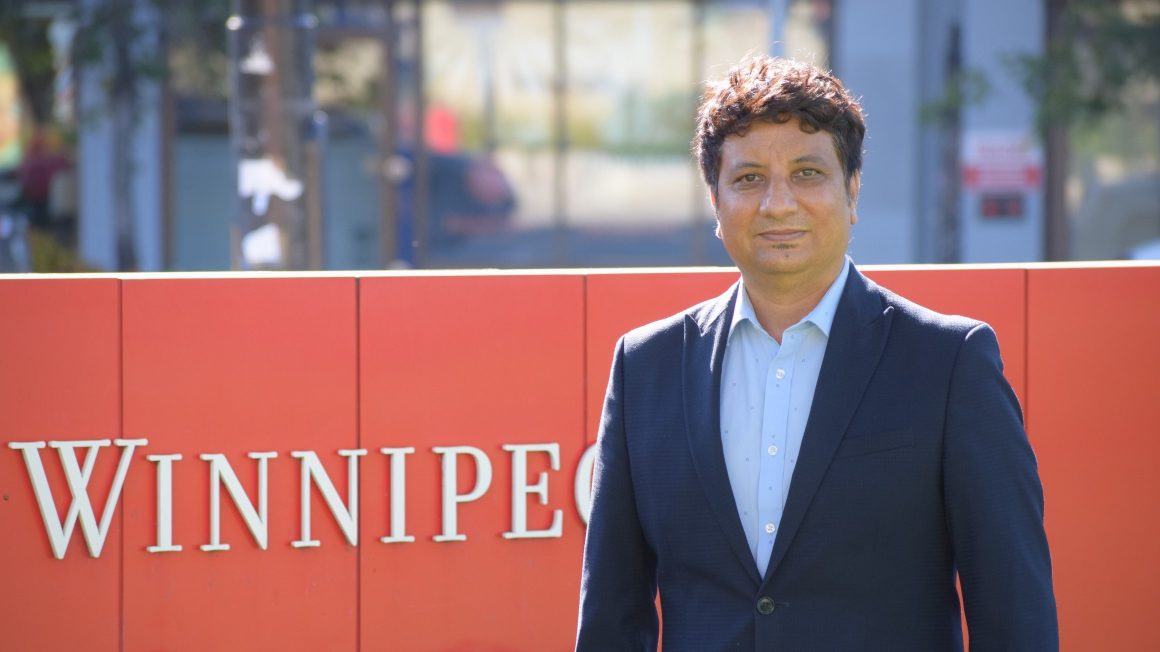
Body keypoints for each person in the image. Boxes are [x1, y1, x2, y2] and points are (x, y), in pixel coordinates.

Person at [575, 56, 1057, 651]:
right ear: (715, 201)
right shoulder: (646, 367)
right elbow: (610, 620)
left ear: (852, 191)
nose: (778, 204)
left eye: (807, 173)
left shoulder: (949, 363)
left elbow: (1014, 611)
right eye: (749, 178)